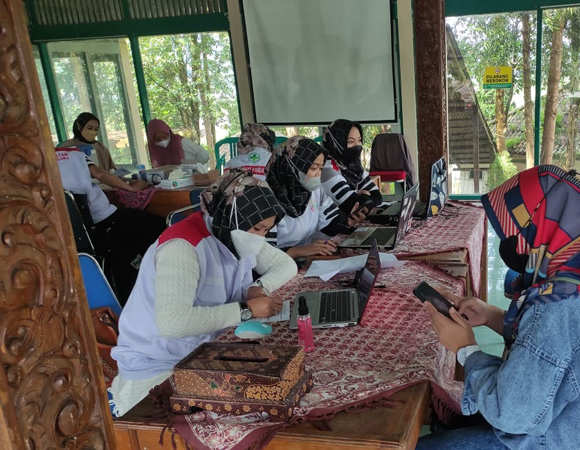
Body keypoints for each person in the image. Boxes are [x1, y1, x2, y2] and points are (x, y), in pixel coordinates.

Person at [417, 165, 580, 450]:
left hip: (559, 439)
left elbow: (511, 414)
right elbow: (556, 352)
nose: (510, 242)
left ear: (544, 227)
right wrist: (493, 317)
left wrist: (466, 349)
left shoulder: (561, 307)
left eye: (519, 231)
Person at [109, 170, 297, 417]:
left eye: (266, 230)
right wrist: (245, 310)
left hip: (203, 352)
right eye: (258, 228)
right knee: (246, 414)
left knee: (280, 384)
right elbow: (172, 323)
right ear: (233, 217)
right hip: (159, 366)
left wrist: (258, 287)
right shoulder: (183, 246)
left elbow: (286, 265)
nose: (260, 238)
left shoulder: (235, 233)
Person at [55, 146, 166, 301]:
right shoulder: (73, 153)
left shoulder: (37, 165)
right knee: (160, 225)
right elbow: (100, 174)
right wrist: (130, 187)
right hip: (105, 219)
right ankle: (155, 277)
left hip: (78, 232)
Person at [266, 136, 362, 259]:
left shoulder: (314, 191)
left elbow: (329, 222)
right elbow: (263, 255)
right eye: (313, 168)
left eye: (320, 168)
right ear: (292, 166)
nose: (318, 174)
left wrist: (347, 222)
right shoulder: (267, 198)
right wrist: (300, 251)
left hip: (305, 258)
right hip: (278, 267)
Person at [61, 112, 149, 192]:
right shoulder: (67, 148)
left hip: (106, 186)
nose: (93, 132)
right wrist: (130, 188)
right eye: (89, 128)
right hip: (82, 191)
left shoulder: (100, 147)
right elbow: (99, 174)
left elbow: (111, 170)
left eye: (96, 129)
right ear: (79, 128)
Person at [321, 119, 382, 215]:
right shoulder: (327, 170)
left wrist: (364, 196)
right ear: (335, 143)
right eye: (350, 142)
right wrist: (366, 197)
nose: (357, 145)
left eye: (359, 140)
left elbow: (377, 196)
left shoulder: (353, 166)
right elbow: (356, 206)